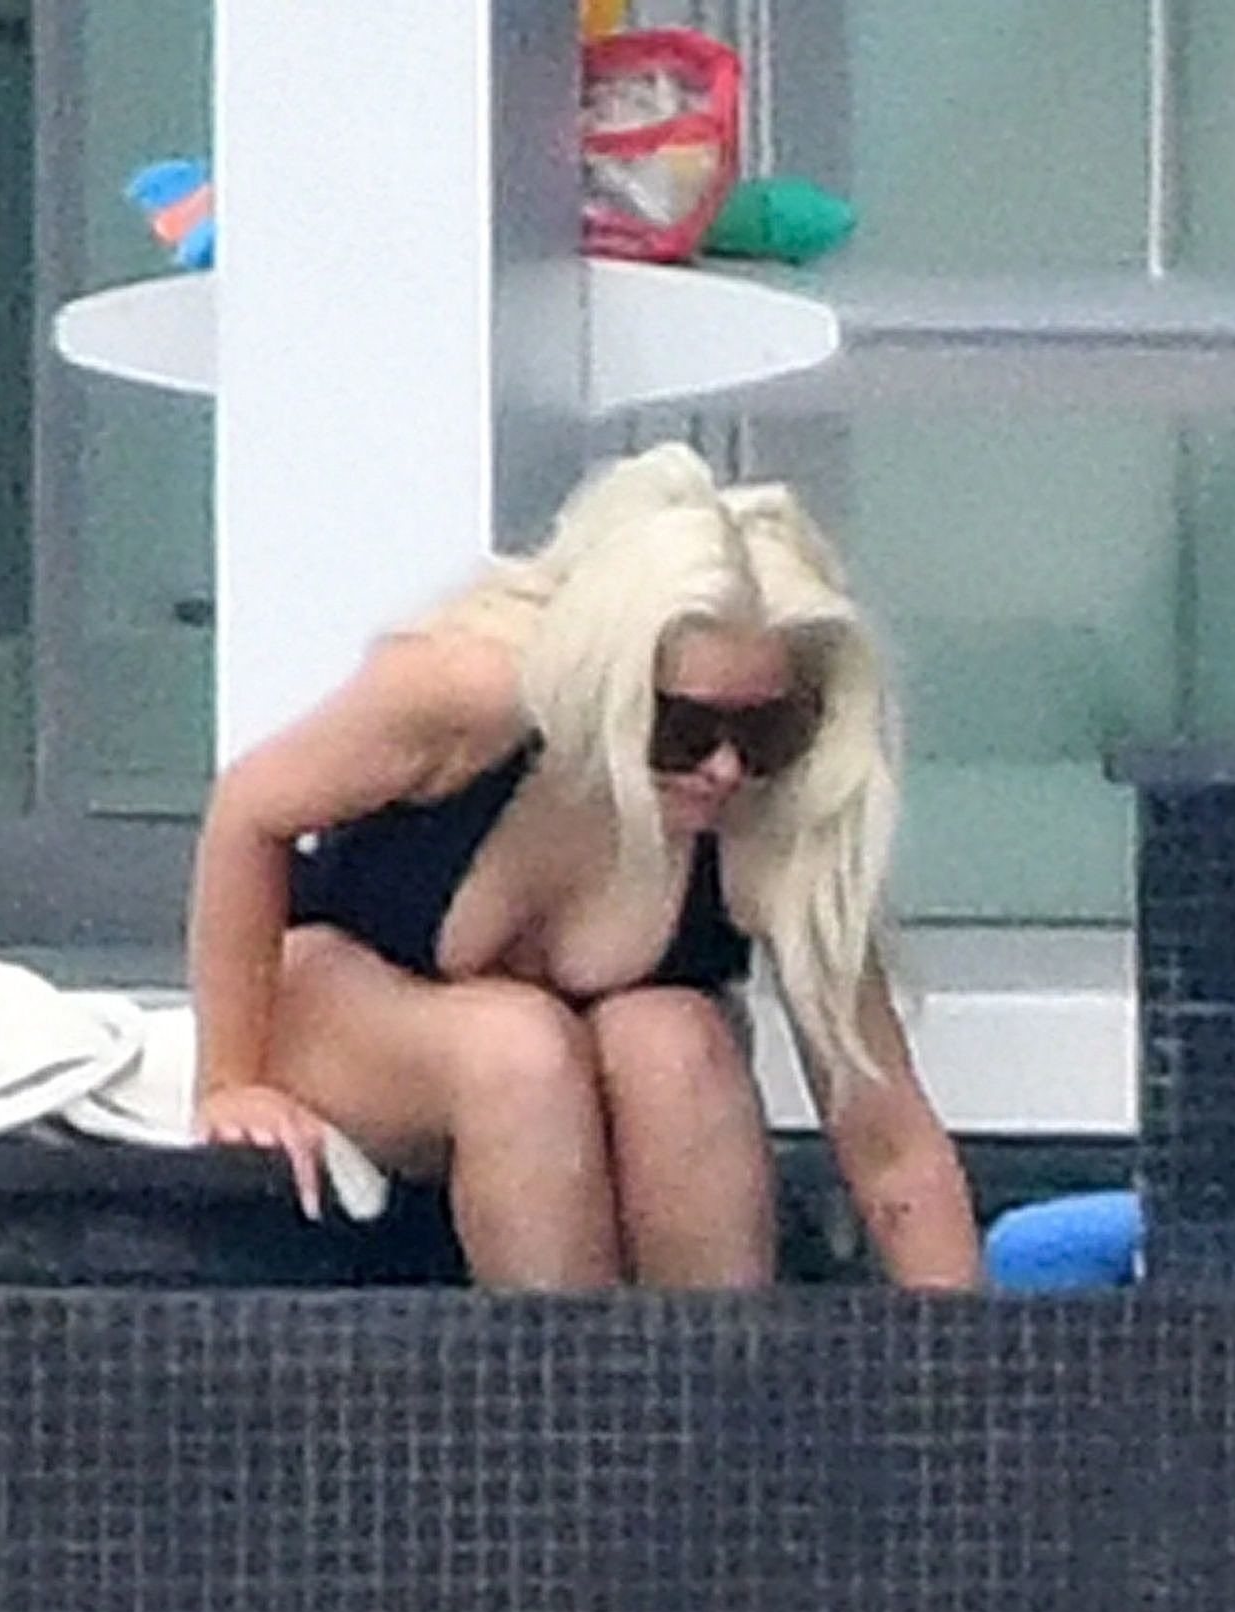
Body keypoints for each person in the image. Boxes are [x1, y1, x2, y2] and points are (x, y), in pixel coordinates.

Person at [187, 443, 980, 1291]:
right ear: (609, 688)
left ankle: (710, 1370)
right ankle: (559, 1374)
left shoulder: (774, 810)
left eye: (763, 731)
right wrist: (228, 1081)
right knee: (519, 1053)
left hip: (602, 1081)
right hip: (351, 1003)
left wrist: (974, 1357)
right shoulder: (470, 690)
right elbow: (248, 811)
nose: (723, 767)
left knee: (678, 1047)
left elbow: (890, 1142)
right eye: (680, 730)